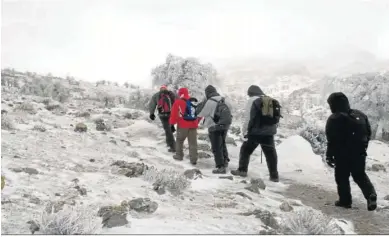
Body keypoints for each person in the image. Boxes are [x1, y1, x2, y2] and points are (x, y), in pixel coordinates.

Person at [325, 92, 377, 211]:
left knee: (342, 177)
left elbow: (331, 139)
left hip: (342, 154)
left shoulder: (334, 118)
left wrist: (329, 155)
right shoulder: (361, 115)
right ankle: (370, 195)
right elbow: (368, 133)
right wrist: (362, 148)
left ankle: (345, 201)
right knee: (360, 175)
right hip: (359, 152)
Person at [231, 85, 280, 182]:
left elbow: (248, 118)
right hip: (269, 133)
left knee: (245, 150)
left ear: (250, 93)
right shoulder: (269, 100)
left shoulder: (252, 100)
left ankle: (242, 170)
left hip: (255, 132)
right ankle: (274, 176)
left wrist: (245, 130)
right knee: (270, 154)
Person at [196, 85, 233, 174]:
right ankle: (225, 161)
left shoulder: (210, 101)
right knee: (222, 143)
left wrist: (203, 103)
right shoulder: (224, 99)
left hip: (214, 126)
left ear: (207, 93)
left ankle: (220, 167)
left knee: (216, 146)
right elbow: (230, 109)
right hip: (225, 125)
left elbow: (200, 113)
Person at [169, 87, 199, 165]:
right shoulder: (193, 101)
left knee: (179, 140)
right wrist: (196, 122)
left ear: (180, 93)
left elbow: (174, 114)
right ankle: (193, 159)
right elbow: (199, 113)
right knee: (193, 142)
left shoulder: (178, 102)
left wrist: (172, 124)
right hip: (193, 125)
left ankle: (179, 156)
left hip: (182, 125)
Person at [149, 85, 177, 152]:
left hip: (162, 115)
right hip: (171, 114)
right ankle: (169, 143)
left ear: (160, 89)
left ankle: (173, 147)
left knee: (167, 130)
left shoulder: (157, 95)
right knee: (168, 129)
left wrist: (151, 113)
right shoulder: (170, 94)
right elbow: (176, 102)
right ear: (166, 88)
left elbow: (152, 104)